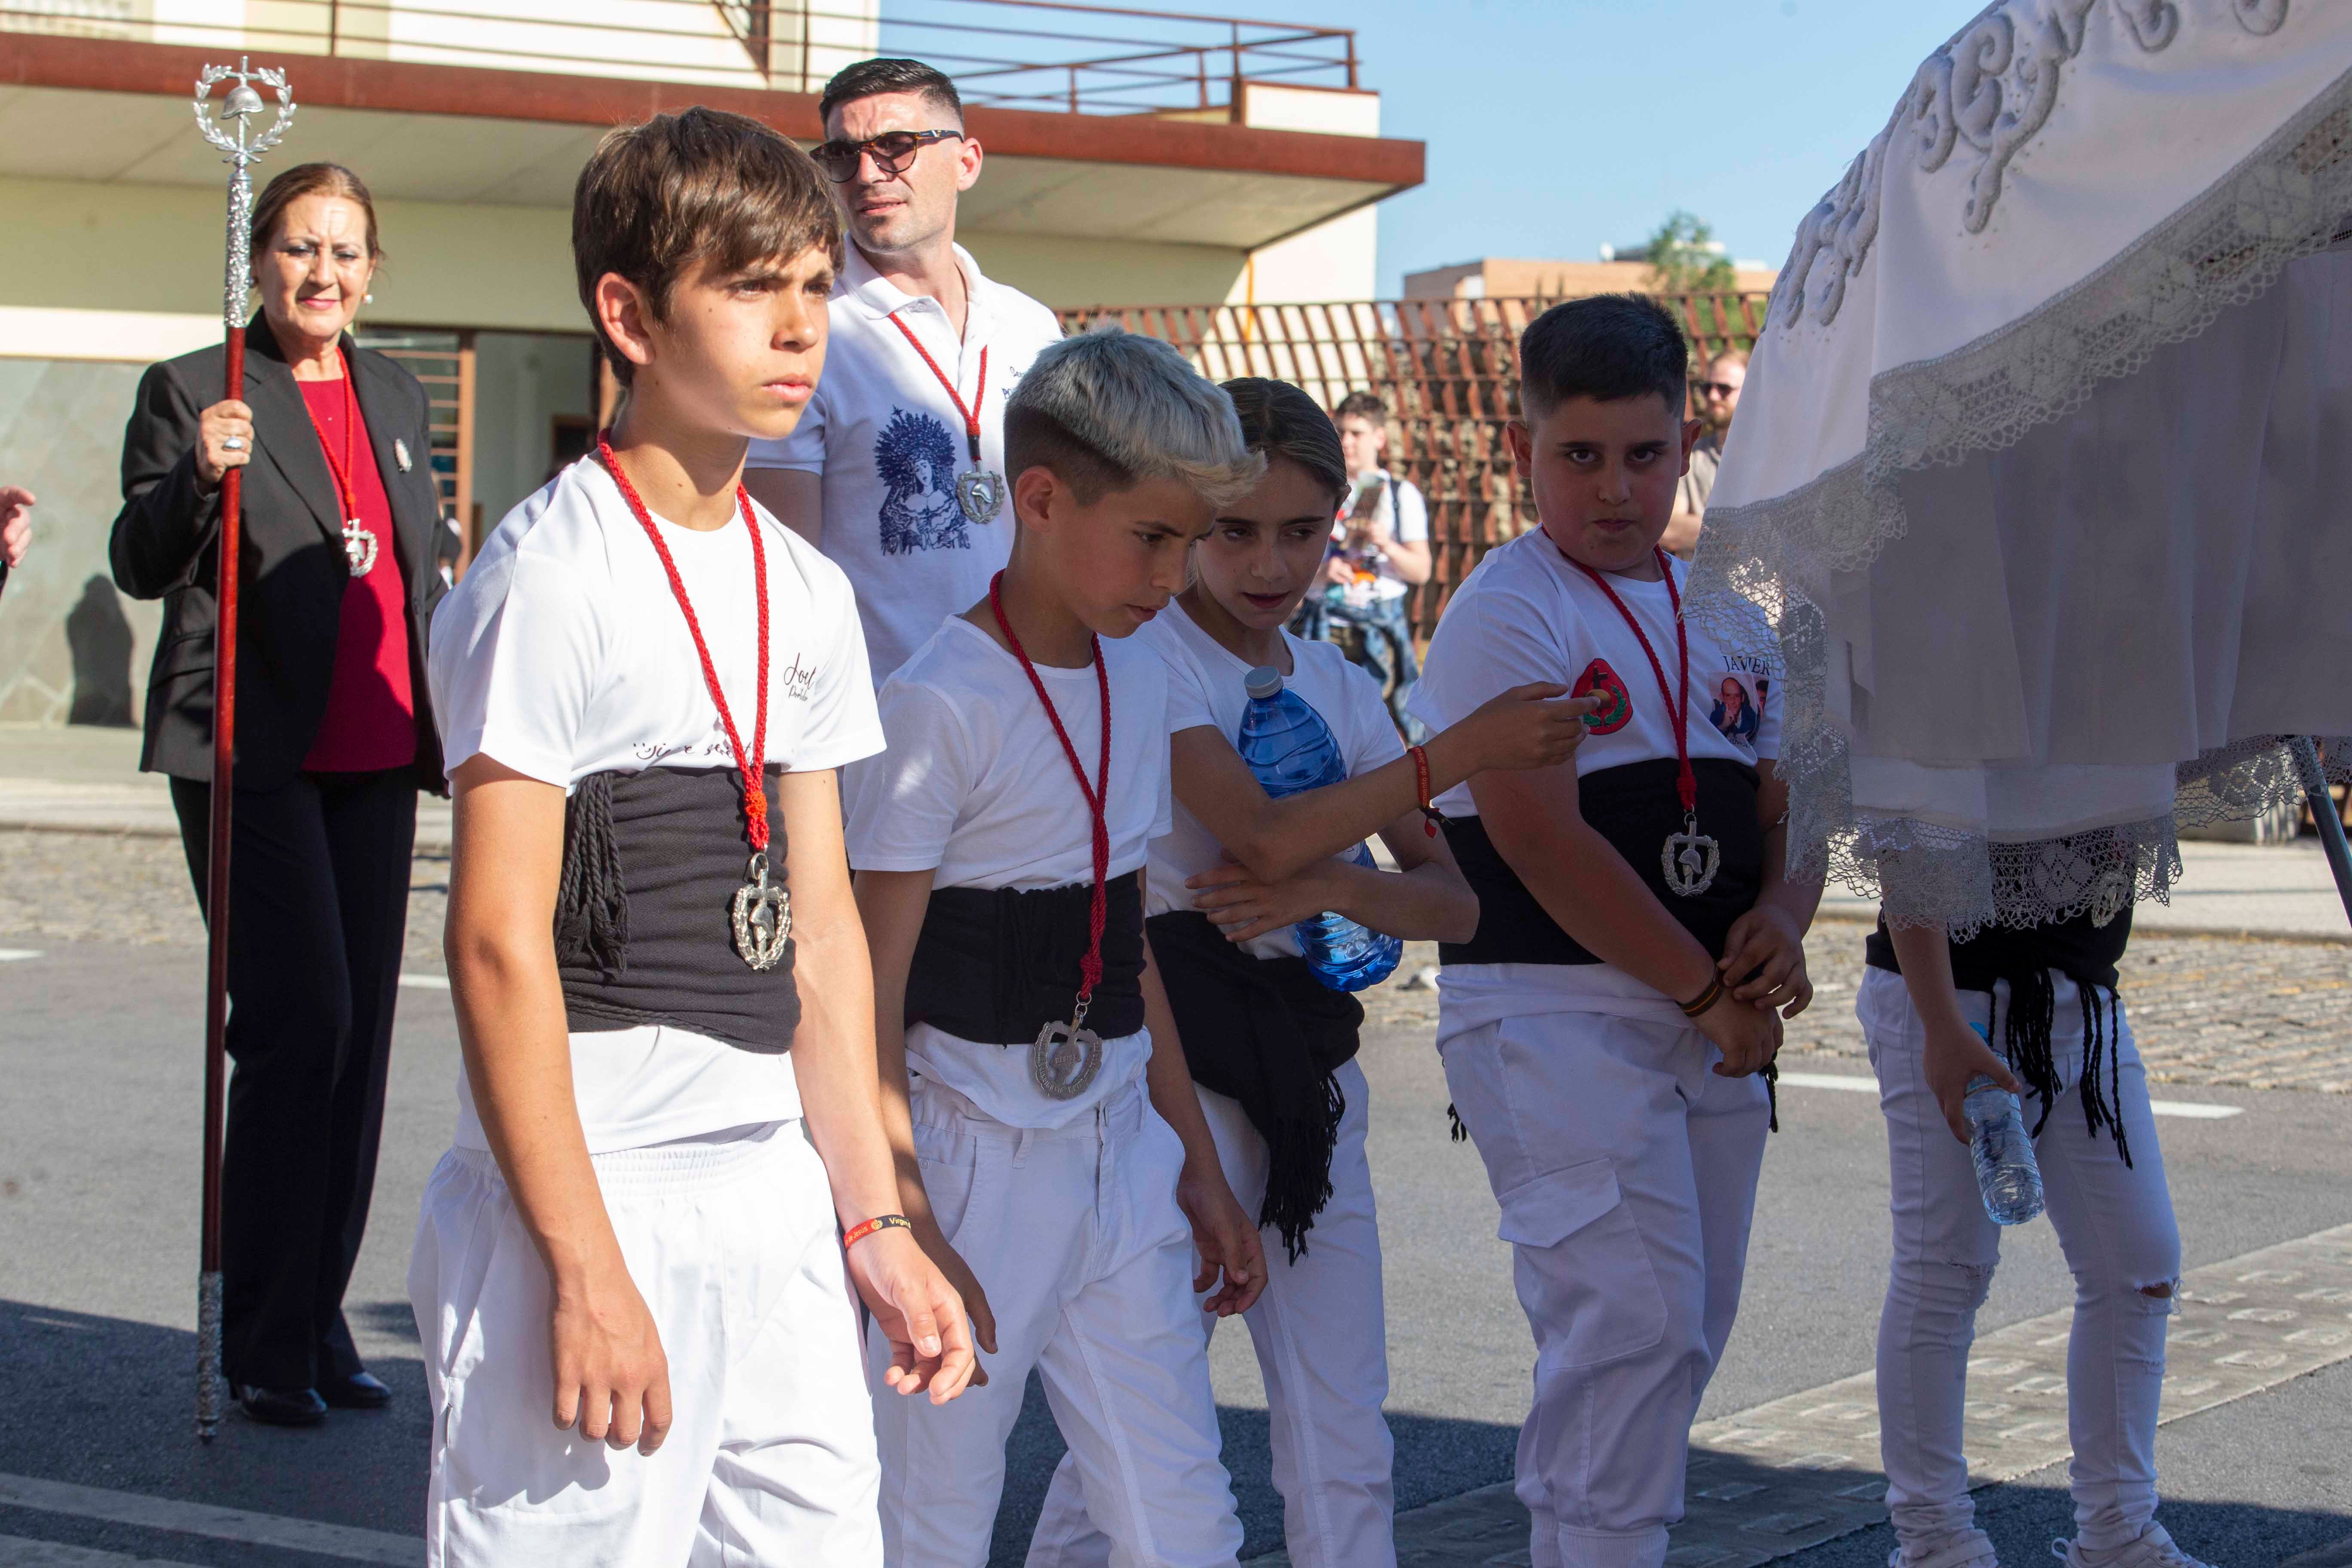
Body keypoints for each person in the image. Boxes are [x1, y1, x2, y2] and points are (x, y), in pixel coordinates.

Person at [410, 108, 976, 1564]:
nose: (799, 328)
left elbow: (825, 930)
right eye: (749, 286)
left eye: (812, 286)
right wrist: (584, 1265)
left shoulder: (808, 586)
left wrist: (874, 1219)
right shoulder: (550, 577)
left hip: (776, 1190)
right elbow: (492, 942)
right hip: (595, 1197)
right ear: (629, 313)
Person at [1026, 377, 1593, 1568]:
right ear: (1189, 520)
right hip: (1174, 1084)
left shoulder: (1340, 684)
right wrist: (1452, 756)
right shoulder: (1150, 664)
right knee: (1137, 1437)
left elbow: (1454, 901)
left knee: (1344, 1430)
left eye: (1301, 530)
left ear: (1340, 520)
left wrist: (1333, 887)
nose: (1270, 563)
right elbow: (1262, 834)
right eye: (1235, 531)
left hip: (1313, 1082)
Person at [1406, 296, 1820, 1568]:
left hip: (1707, 1009)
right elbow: (1541, 837)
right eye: (1577, 456)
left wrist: (1782, 921)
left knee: (1688, 1325)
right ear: (1522, 444)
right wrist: (1708, 992)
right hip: (1556, 1007)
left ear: (1685, 436)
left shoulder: (1734, 604)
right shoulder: (1509, 606)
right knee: (1626, 1324)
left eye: (1643, 455)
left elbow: (1789, 797)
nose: (1613, 490)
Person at [845, 328, 1265, 1567]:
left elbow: (1126, 951)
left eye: (1191, 542)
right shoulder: (937, 705)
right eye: (1152, 537)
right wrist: (904, 1214)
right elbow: (865, 990)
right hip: (966, 1164)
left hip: (1118, 1153)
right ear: (1038, 499)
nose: (1176, 573)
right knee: (932, 1523)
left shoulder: (1144, 681)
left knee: (1184, 1525)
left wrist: (1191, 1159)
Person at [110, 161, 445, 1429]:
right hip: (248, 747)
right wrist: (198, 474)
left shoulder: (401, 391)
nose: (325, 273)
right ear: (260, 261)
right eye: (301, 248)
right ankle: (258, 1339)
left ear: (372, 270)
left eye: (348, 252)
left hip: (377, 749)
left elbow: (414, 572)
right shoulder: (198, 389)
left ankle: (316, 1321)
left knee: (358, 1043)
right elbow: (141, 562)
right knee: (301, 1020)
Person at [1862, 883, 2197, 1568]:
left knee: (2141, 1266)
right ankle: (1937, 1543)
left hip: (2085, 998)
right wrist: (1940, 1023)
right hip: (1958, 996)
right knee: (1946, 1270)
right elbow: (1909, 825)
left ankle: (2118, 1532)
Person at [742, 56, 1064, 686]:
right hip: (879, 729)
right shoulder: (803, 329)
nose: (867, 174)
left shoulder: (1033, 328)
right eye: (842, 154)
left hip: (1038, 706)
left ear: (967, 162)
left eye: (896, 147)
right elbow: (783, 577)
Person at [1301, 391, 1431, 742]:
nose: (1346, 442)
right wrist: (1324, 574)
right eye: (1340, 432)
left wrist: (1385, 542)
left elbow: (1421, 571)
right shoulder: (1318, 490)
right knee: (1320, 730)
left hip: (1378, 630)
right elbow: (1290, 564)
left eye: (1357, 433)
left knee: (1388, 734)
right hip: (1325, 626)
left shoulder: (1401, 495)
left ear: (1379, 437)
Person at [1662, 347, 1744, 560]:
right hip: (1698, 587)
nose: (1714, 396)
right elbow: (1667, 526)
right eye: (1708, 388)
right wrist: (1738, 534)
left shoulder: (1771, 458)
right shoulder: (1693, 454)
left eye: (1724, 389)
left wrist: (1698, 529)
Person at [1709, 674, 1757, 743]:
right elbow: (1709, 743)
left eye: (1737, 696)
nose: (1733, 701)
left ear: (1743, 698)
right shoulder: (1714, 717)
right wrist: (1723, 727)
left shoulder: (1752, 718)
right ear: (1722, 697)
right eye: (1728, 696)